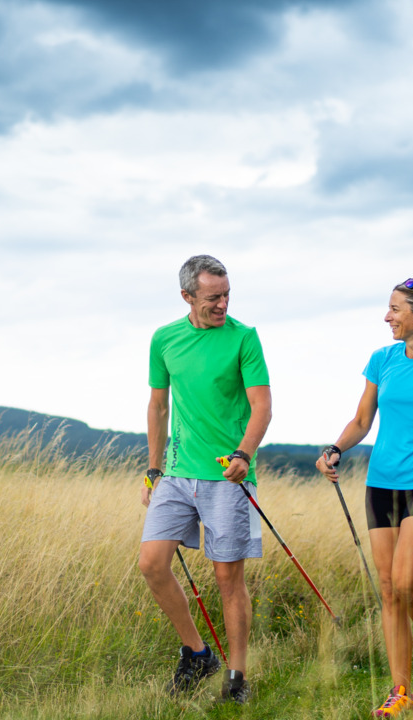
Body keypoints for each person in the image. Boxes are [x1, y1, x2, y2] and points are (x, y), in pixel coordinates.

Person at [315, 278, 413, 717]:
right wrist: (335, 448)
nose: (387, 317)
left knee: (407, 583)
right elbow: (362, 419)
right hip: (380, 483)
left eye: (395, 309)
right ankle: (400, 689)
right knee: (388, 590)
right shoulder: (381, 360)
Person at [138, 254, 272, 703]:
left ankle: (236, 678)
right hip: (174, 475)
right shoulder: (165, 339)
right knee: (152, 563)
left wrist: (244, 454)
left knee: (227, 579)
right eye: (213, 297)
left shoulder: (244, 339)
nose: (223, 305)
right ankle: (198, 654)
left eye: (227, 295)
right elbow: (158, 407)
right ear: (188, 296)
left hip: (226, 476)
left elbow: (262, 407)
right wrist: (153, 470)